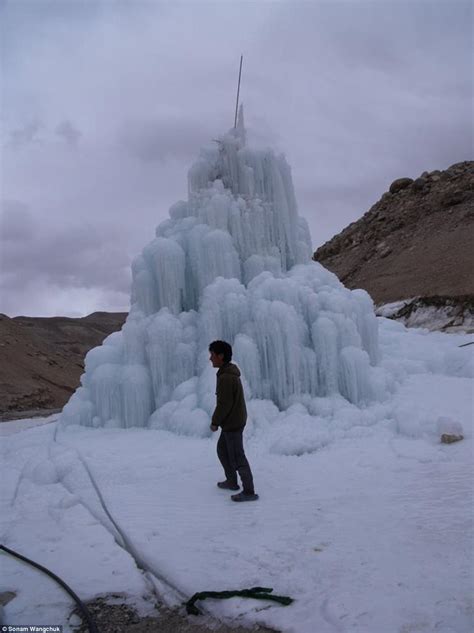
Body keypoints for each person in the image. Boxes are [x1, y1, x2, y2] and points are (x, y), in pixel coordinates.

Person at [208, 340, 258, 502]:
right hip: (232, 421)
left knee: (237, 457)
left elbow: (224, 404)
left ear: (221, 356)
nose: (210, 358)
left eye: (212, 355)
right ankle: (231, 481)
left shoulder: (226, 377)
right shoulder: (226, 373)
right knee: (222, 450)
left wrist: (215, 421)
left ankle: (249, 491)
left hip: (233, 423)